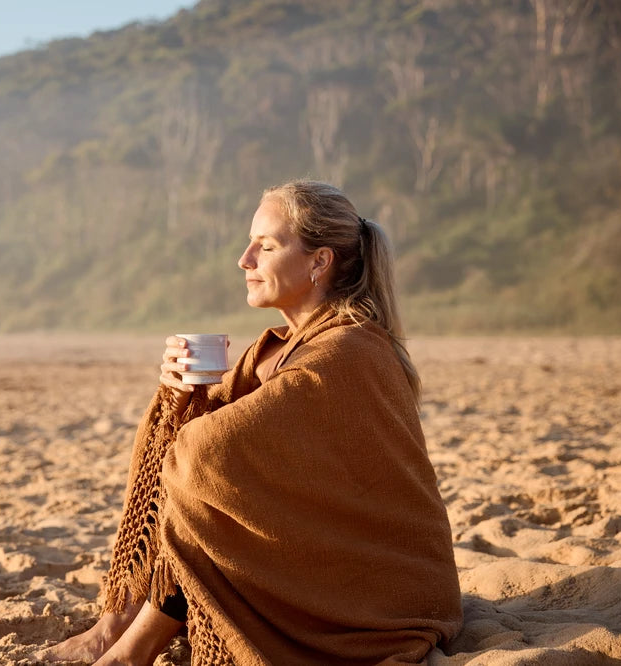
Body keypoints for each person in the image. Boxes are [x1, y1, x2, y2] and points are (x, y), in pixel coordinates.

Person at [38, 181, 462, 665]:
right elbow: (189, 430)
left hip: (381, 587)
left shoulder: (348, 352)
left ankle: (132, 651)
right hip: (323, 554)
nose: (245, 260)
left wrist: (193, 419)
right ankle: (114, 627)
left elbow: (210, 451)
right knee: (200, 466)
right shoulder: (277, 347)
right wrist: (179, 390)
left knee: (207, 473)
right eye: (249, 244)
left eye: (266, 246)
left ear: (319, 261)